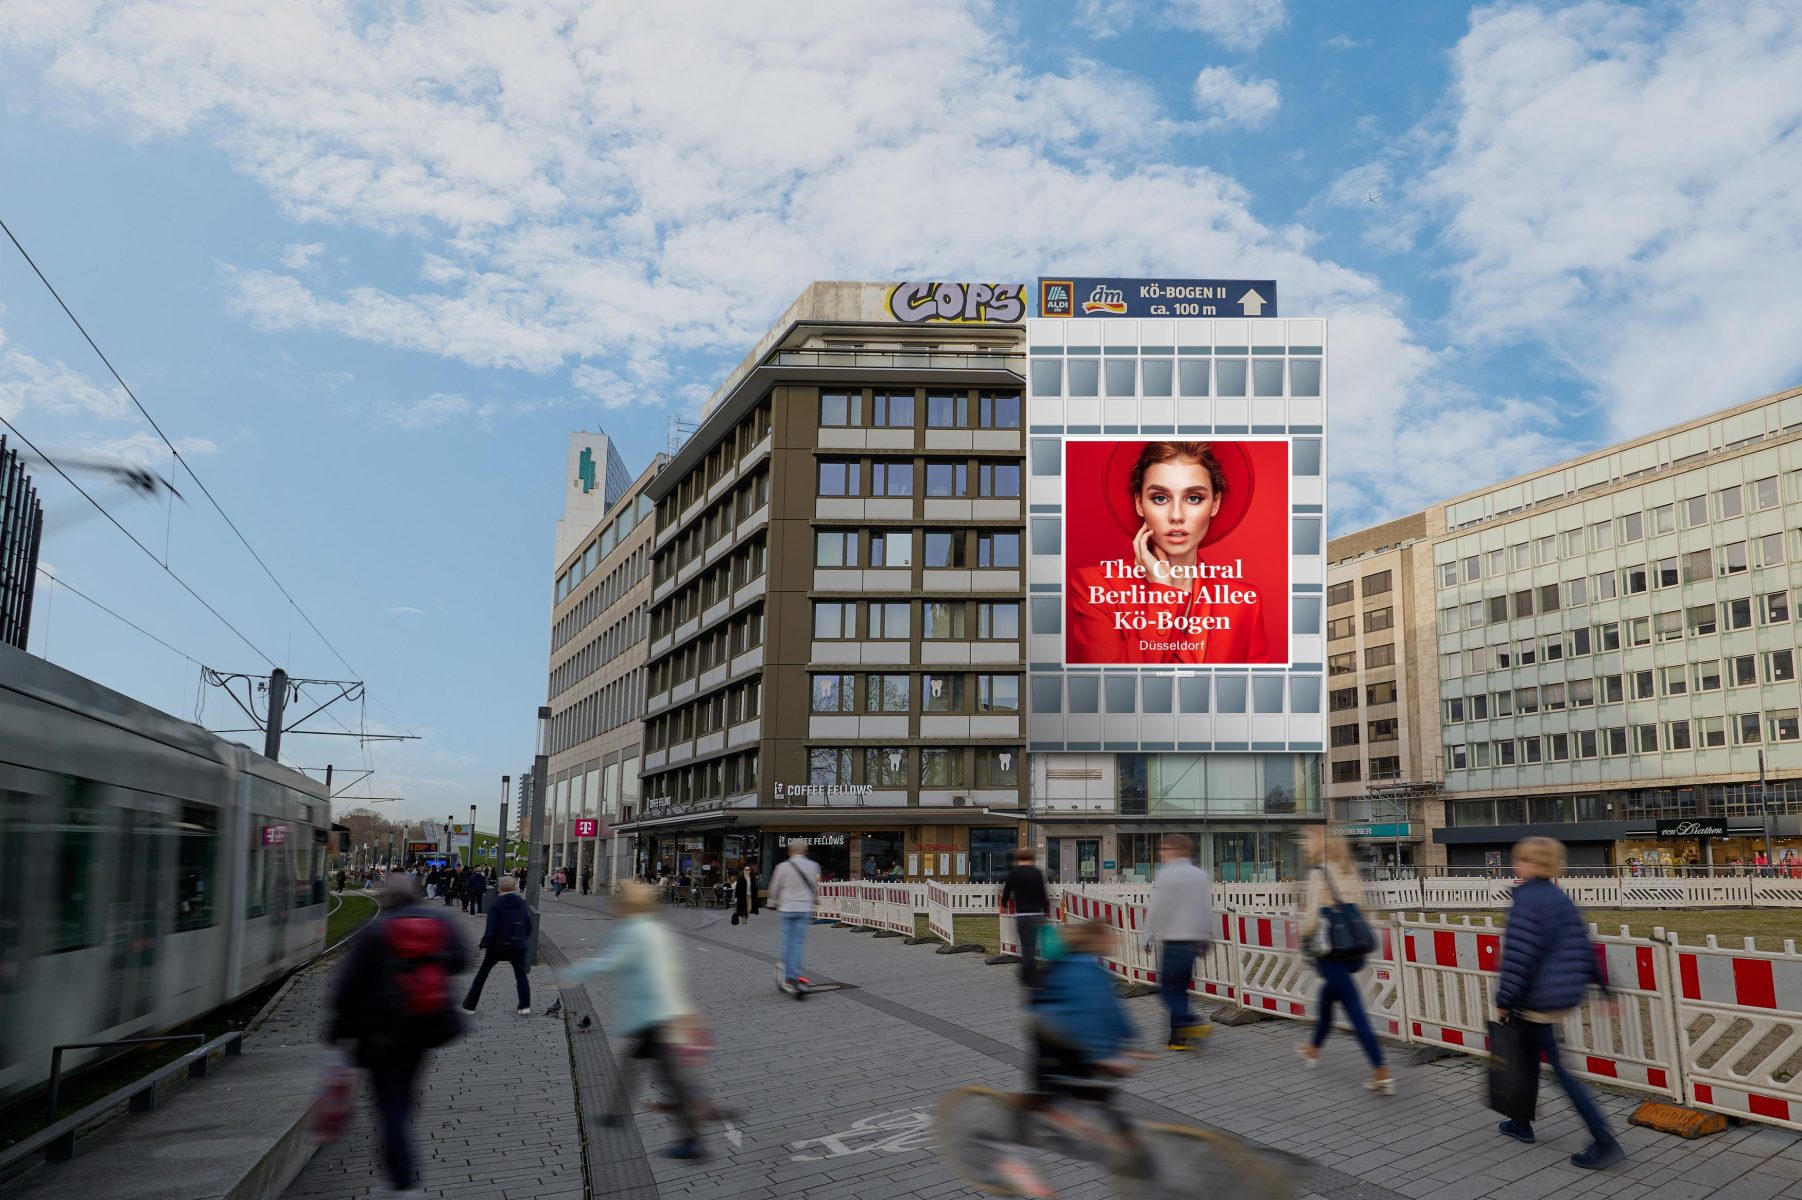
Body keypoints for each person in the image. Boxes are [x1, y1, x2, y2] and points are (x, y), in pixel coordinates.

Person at [326, 873, 469, 1195]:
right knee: (404, 1088)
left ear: (386, 896)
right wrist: (430, 962)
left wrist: (337, 1028)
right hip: (425, 1024)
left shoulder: (375, 929)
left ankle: (401, 1178)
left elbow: (346, 987)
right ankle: (402, 1135)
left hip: (380, 1028)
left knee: (389, 1102)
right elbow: (462, 960)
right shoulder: (439, 921)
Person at [1066, 441, 1271, 665]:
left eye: (1193, 498)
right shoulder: (1094, 587)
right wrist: (1162, 593)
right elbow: (1111, 691)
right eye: (1160, 498)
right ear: (1139, 503)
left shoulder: (1244, 603)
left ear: (1215, 503)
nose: (1176, 515)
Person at [1494, 837, 1623, 1169]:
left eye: (1521, 859)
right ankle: (1521, 1123)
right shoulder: (1560, 899)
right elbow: (1584, 945)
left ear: (1531, 863)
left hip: (1533, 997)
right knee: (1529, 1058)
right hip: (1557, 995)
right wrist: (1602, 987)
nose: (1516, 864)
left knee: (1559, 1068)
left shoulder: (1527, 901)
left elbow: (1519, 957)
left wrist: (1504, 999)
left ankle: (1603, 1139)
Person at [561, 882, 708, 1159]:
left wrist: (572, 974)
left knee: (672, 1078)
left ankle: (691, 1138)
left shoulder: (638, 931)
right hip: (658, 1013)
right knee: (636, 1065)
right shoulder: (655, 929)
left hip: (656, 1015)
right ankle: (617, 1113)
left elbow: (612, 962)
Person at [998, 919, 1140, 1198]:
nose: (1115, 941)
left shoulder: (1094, 971)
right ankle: (1014, 1159)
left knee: (1099, 1093)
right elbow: (1087, 1018)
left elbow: (1111, 1012)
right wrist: (1109, 1055)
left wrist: (1129, 1041)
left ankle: (1128, 1148)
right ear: (1093, 942)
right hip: (1054, 1046)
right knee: (1043, 1097)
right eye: (1108, 937)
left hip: (1074, 1046)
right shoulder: (1080, 973)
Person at [1296, 827, 1394, 1093]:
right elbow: (1360, 904)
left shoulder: (1319, 873)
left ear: (1318, 843)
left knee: (1355, 1012)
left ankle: (1381, 1069)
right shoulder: (1348, 869)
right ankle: (1313, 1048)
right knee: (1327, 998)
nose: (1304, 846)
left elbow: (1312, 917)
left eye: (1306, 841)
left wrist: (1303, 936)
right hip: (1353, 951)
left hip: (1331, 952)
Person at [1143, 833, 1214, 1050]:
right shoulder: (1201, 875)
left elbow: (1157, 908)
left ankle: (1189, 1023)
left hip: (1174, 939)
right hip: (1193, 940)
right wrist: (1208, 936)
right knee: (1180, 989)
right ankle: (1177, 1039)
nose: (1160, 853)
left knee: (1166, 989)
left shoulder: (1166, 874)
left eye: (1164, 849)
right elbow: (1206, 908)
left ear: (1176, 850)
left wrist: (1146, 936)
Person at [462, 875, 533, 1015]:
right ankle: (524, 1006)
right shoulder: (522, 903)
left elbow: (491, 929)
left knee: (482, 975)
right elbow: (529, 924)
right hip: (518, 945)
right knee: (521, 976)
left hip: (497, 946)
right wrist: (524, 938)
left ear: (500, 888)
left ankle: (470, 1006)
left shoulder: (496, 905)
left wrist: (483, 944)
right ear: (515, 887)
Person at [767, 838, 821, 995]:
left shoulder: (782, 867)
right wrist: (814, 901)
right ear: (805, 850)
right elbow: (816, 886)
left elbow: (774, 887)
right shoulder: (814, 866)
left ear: (790, 850)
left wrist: (771, 903)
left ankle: (788, 976)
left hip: (787, 908)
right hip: (804, 908)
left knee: (786, 943)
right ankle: (794, 975)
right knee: (798, 944)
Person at [999, 846, 1051, 990]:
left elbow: (1007, 891)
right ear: (1032, 858)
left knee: (1026, 947)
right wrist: (1046, 911)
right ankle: (1026, 974)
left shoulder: (1014, 873)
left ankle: (1029, 977)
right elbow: (1042, 894)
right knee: (1031, 947)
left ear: (1018, 857)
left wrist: (1003, 903)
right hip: (1036, 914)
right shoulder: (1036, 873)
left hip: (1022, 914)